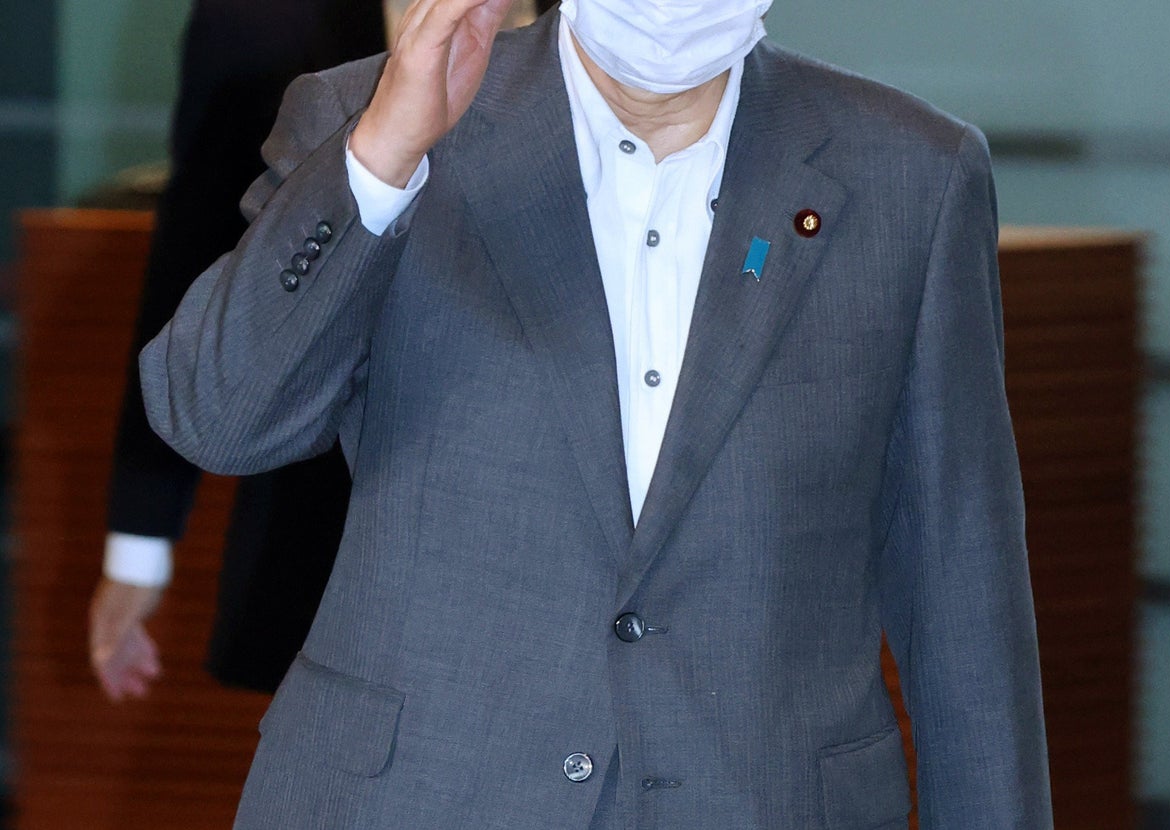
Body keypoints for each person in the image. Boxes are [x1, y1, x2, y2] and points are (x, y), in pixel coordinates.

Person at [139, 0, 1053, 827]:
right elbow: (216, 418)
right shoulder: (377, 117)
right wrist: (384, 158)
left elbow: (963, 589)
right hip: (416, 793)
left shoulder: (912, 174)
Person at [89, 0, 550, 700]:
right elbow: (192, 264)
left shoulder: (628, 32)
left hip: (540, 532)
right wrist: (139, 544)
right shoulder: (260, 24)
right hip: (320, 515)